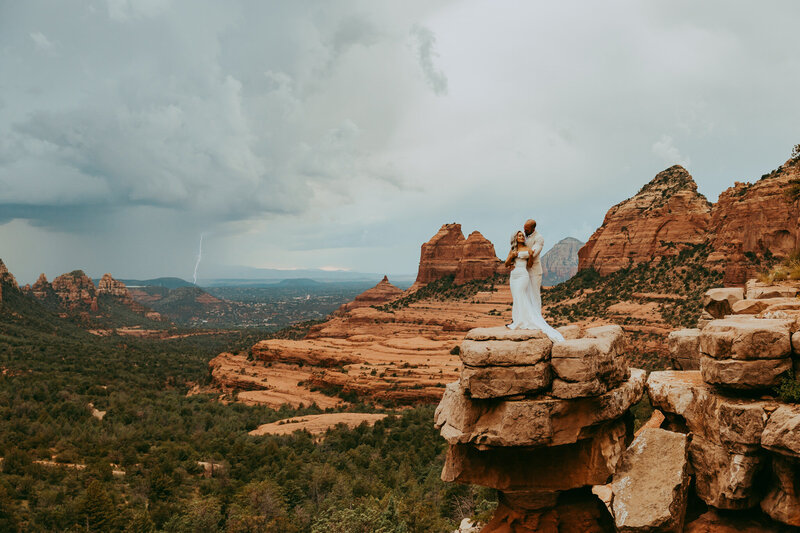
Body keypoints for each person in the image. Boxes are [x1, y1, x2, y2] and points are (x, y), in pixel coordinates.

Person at [505, 229, 564, 341]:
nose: (522, 237)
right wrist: (512, 256)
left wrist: (531, 256)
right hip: (514, 275)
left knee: (521, 294)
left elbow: (530, 265)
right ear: (516, 238)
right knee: (516, 297)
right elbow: (506, 263)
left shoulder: (527, 249)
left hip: (523, 275)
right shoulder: (513, 249)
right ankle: (517, 320)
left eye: (522, 235)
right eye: (519, 236)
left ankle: (525, 320)